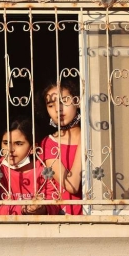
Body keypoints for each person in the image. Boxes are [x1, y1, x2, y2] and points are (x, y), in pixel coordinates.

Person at [0, 118, 61, 215]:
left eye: (18, 144)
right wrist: (22, 209)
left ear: (33, 148)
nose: (10, 149)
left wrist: (42, 208)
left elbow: (55, 203)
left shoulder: (43, 169)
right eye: (5, 143)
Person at [40, 80, 83, 215]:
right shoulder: (48, 143)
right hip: (66, 218)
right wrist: (84, 139)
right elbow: (72, 185)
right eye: (51, 105)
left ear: (77, 101)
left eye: (64, 100)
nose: (58, 109)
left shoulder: (98, 138)